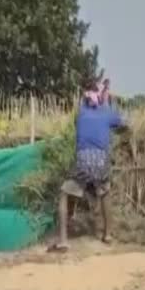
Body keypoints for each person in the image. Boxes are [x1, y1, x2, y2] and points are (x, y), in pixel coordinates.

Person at [49, 85, 127, 251]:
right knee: (105, 193)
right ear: (101, 98)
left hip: (83, 160)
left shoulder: (81, 113)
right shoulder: (106, 112)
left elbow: (81, 120)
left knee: (65, 193)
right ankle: (108, 235)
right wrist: (108, 103)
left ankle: (63, 240)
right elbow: (124, 122)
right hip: (101, 161)